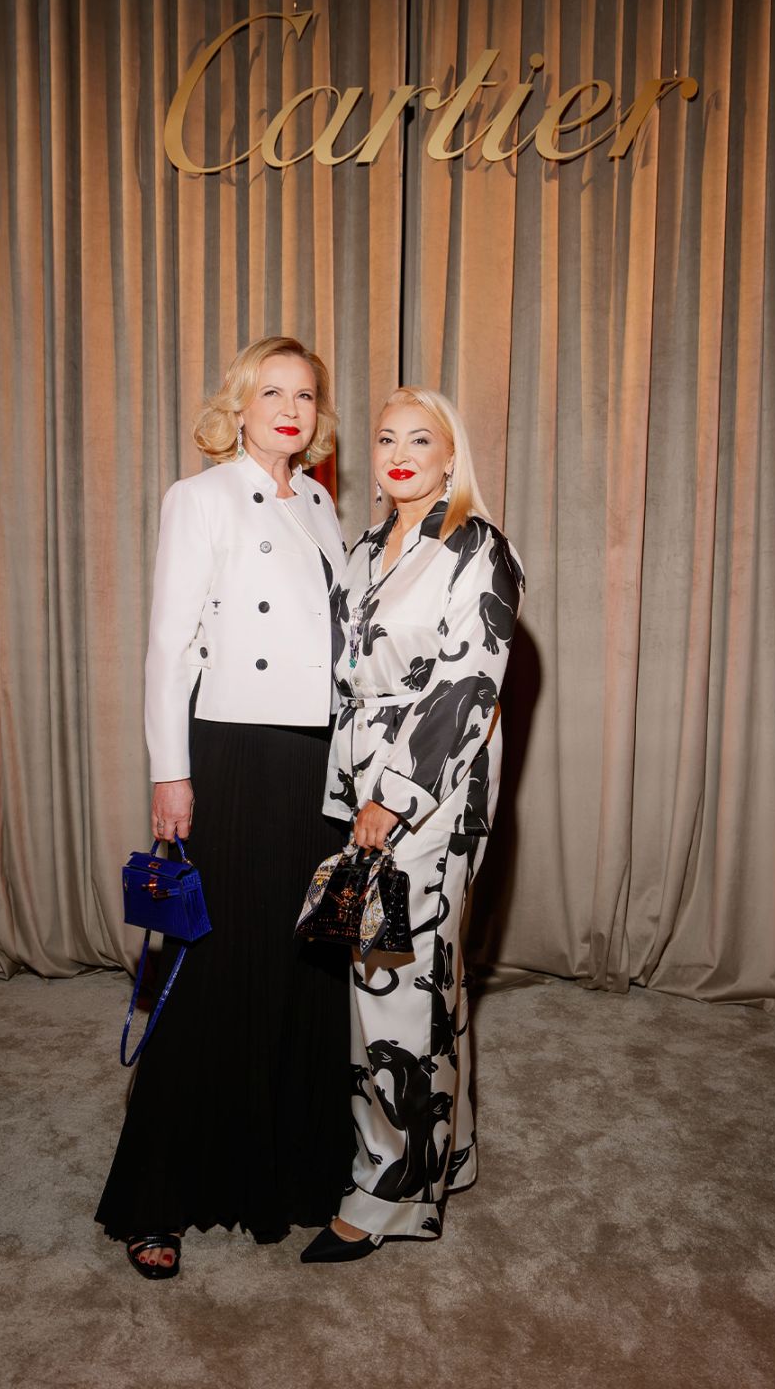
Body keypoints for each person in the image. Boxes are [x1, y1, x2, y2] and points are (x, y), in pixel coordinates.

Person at [96, 336, 354, 1278]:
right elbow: (170, 645)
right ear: (239, 406)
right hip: (235, 751)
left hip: (318, 760)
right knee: (211, 964)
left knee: (306, 959)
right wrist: (171, 772)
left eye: (305, 395)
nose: (289, 408)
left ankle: (290, 1171)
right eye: (270, 391)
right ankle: (157, 1197)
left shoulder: (321, 503)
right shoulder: (198, 497)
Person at [300, 386, 524, 1264]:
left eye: (419, 439)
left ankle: (388, 1193)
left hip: (427, 794)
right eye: (387, 438)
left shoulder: (478, 548)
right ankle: (443, 1152)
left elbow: (467, 688)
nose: (398, 454)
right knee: (425, 976)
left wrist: (391, 798)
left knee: (389, 981)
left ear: (448, 455)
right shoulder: (364, 548)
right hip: (357, 783)